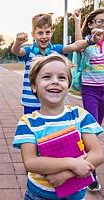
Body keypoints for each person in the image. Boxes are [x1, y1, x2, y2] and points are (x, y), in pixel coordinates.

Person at [13, 54, 104, 200]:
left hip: (76, 194)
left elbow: (97, 154)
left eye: (61, 78)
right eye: (47, 77)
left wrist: (66, 174)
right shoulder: (28, 122)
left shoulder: (80, 116)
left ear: (68, 85)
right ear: (34, 86)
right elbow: (30, 162)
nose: (55, 81)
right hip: (39, 194)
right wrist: (71, 163)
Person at [11, 13, 100, 114]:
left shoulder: (56, 50)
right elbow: (16, 51)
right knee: (32, 128)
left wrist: (91, 40)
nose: (44, 36)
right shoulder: (29, 51)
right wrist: (17, 43)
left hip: (52, 102)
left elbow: (75, 46)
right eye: (40, 33)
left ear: (51, 33)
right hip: (31, 103)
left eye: (47, 32)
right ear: (33, 34)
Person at [73, 8, 104, 191]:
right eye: (98, 21)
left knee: (97, 129)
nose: (102, 25)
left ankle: (84, 156)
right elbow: (79, 44)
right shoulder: (87, 43)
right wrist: (77, 22)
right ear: (91, 25)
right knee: (91, 130)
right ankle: (90, 173)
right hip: (90, 91)